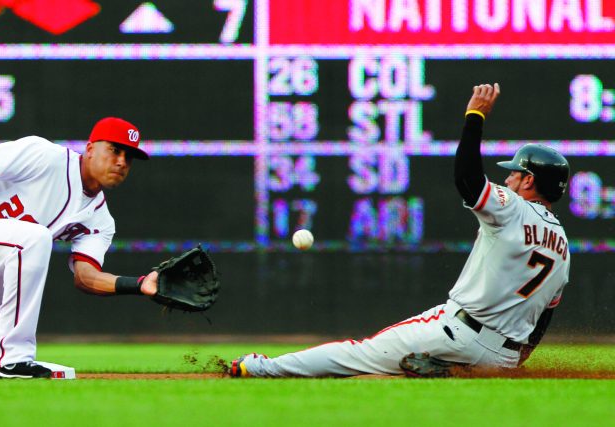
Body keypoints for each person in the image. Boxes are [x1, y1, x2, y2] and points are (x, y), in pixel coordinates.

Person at [230, 83, 571, 377]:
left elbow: (468, 180)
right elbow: (543, 320)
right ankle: (449, 369)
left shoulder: (512, 206)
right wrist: (514, 361)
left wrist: (475, 117)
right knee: (423, 355)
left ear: (529, 180)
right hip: (504, 358)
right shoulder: (563, 249)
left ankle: (261, 367)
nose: (508, 177)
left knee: (358, 353)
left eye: (514, 173)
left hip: (458, 332)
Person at [0, 117, 160, 379]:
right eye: (115, 150)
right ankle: (11, 362)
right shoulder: (44, 155)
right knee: (36, 238)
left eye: (129, 157)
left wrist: (139, 284)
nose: (122, 162)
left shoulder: (101, 220)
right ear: (90, 149)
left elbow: (86, 277)